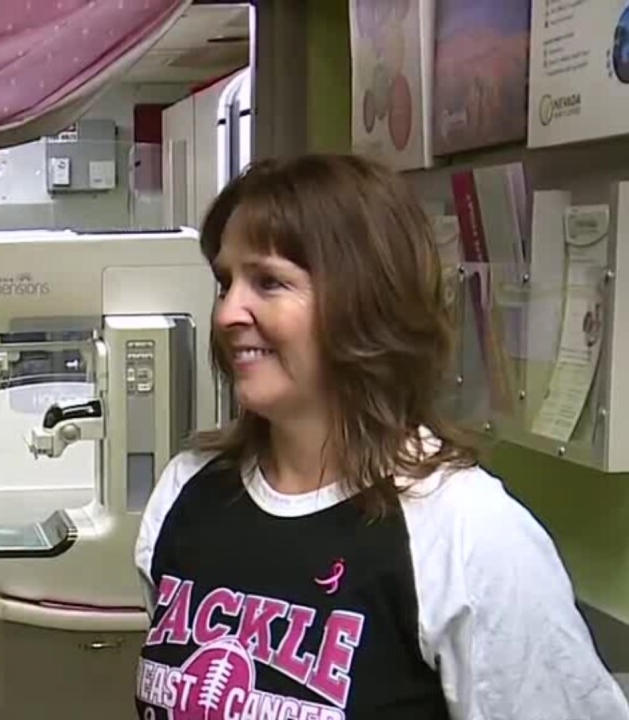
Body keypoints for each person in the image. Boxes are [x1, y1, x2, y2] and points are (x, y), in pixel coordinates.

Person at [133, 154, 629, 719]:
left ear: (363, 301)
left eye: (268, 282)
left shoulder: (467, 533)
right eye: (225, 283)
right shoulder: (186, 491)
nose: (226, 313)